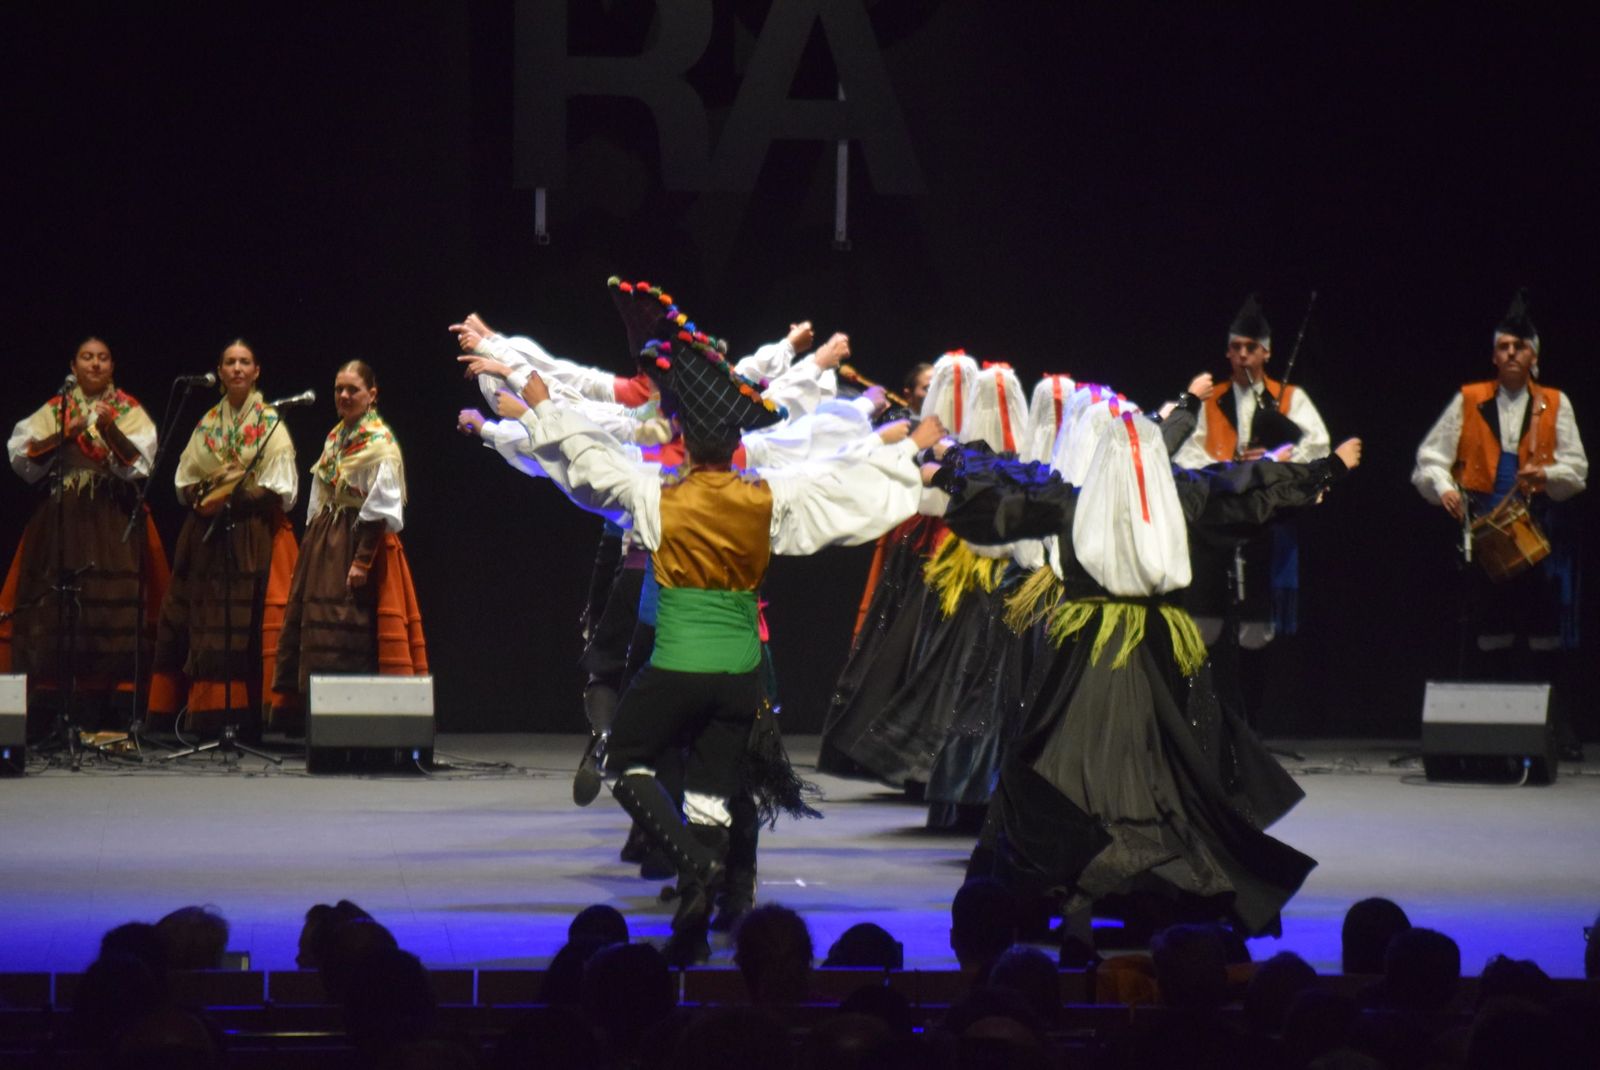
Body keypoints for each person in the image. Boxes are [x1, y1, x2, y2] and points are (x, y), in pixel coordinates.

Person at [509, 300, 941, 964]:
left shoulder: (658, 494)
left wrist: (538, 401)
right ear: (733, 439)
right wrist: (910, 449)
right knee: (714, 789)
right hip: (742, 671)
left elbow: (589, 463)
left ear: (685, 433)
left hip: (678, 663)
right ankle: (697, 902)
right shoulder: (766, 495)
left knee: (624, 758)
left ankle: (699, 868)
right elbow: (839, 486)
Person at [935, 401, 1361, 940]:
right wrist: (1327, 470)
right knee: (1160, 766)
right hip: (1152, 648)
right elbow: (1241, 487)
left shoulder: (1070, 501)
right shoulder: (1177, 498)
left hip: (1088, 651)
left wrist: (952, 459)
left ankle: (1089, 884)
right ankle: (1149, 887)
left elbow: (1006, 483)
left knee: (1077, 763)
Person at [1412, 290, 1587, 743]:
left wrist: (1543, 474)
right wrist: (1446, 489)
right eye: (1503, 347)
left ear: (1534, 356)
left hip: (1540, 534)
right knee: (1491, 632)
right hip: (1485, 533)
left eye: (1519, 347)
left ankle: (1553, 732)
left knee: (1544, 632)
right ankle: (1489, 733)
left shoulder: (1554, 402)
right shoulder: (1470, 400)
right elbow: (1431, 457)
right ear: (1494, 355)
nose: (1511, 354)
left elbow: (1577, 469)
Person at [1173, 294, 1331, 735]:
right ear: (1228, 351)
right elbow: (1185, 452)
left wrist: (1274, 458)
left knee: (1256, 628)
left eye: (1251, 347)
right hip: (1215, 523)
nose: (1243, 355)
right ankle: (1201, 725)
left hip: (1264, 525)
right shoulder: (1211, 399)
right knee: (1204, 623)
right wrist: (1228, 466)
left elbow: (1317, 448)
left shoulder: (1290, 399)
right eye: (1236, 347)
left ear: (1267, 352)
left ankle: (1250, 730)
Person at [1, 337, 169, 733]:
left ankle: (113, 704)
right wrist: (68, 431)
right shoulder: (58, 409)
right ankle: (56, 706)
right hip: (63, 519)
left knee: (110, 601)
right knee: (58, 604)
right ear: (73, 366)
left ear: (113, 366)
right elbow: (22, 457)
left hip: (112, 517)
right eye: (87, 358)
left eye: (103, 358)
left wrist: (108, 429)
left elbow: (141, 466)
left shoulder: (127, 409)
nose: (95, 364)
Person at [148, 341, 300, 737]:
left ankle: (249, 720)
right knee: (205, 619)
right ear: (219, 369)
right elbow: (185, 478)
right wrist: (206, 497)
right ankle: (209, 715)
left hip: (253, 533)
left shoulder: (270, 422)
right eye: (229, 362)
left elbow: (281, 486)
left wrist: (240, 496)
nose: (236, 368)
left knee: (248, 621)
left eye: (244, 362)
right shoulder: (208, 423)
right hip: (208, 534)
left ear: (256, 371)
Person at [273, 361, 427, 703]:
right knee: (317, 619)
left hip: (359, 541)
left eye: (352, 389)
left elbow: (382, 504)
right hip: (327, 540)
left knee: (352, 624)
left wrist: (361, 561)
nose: (343, 395)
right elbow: (319, 493)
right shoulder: (335, 436)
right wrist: (313, 540)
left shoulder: (379, 442)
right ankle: (320, 713)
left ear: (371, 395)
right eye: (338, 389)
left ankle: (358, 712)